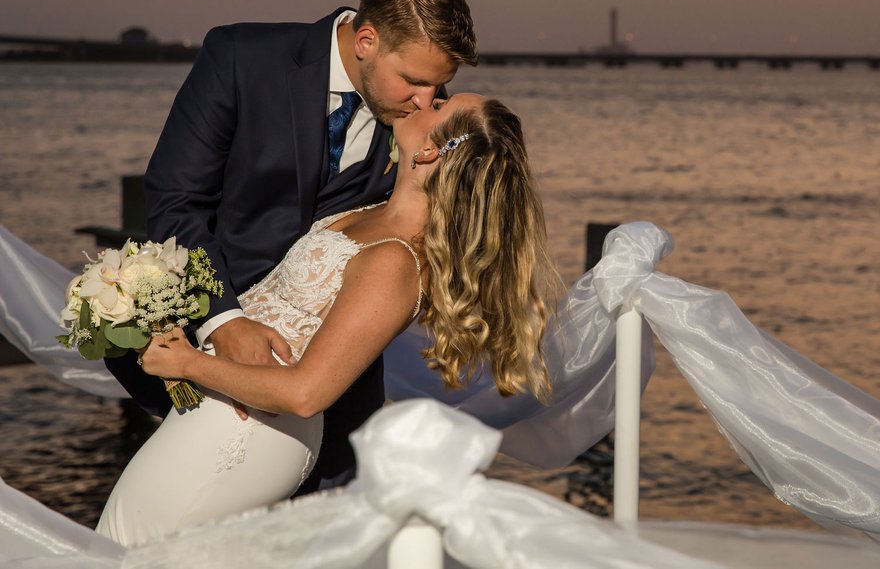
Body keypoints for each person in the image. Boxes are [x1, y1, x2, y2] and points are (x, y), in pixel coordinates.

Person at [95, 93, 559, 547]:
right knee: (139, 548)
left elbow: (307, 394)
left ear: (429, 151)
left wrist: (188, 364)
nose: (424, 99)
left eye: (439, 106)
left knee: (124, 543)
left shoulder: (397, 261)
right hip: (227, 406)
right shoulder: (371, 211)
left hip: (252, 429)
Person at [105, 0, 479, 494]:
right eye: (415, 81)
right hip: (204, 356)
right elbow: (176, 200)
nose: (427, 100)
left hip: (333, 397)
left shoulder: (417, 126)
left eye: (440, 84)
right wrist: (224, 324)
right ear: (367, 41)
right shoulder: (241, 57)